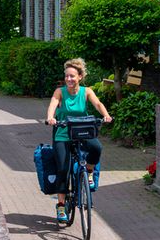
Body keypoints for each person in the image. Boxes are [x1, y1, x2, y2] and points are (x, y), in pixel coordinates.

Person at [45, 58, 113, 223]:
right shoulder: (60, 92)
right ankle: (61, 205)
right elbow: (53, 104)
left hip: (82, 132)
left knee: (96, 148)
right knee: (62, 168)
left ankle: (89, 171)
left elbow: (97, 103)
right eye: (67, 76)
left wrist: (105, 115)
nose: (69, 79)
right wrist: (50, 117)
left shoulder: (86, 91)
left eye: (72, 76)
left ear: (80, 77)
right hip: (62, 134)